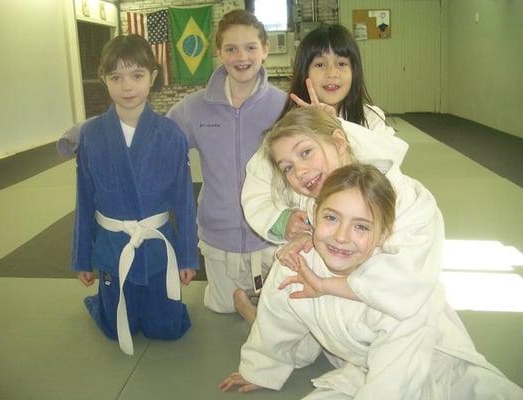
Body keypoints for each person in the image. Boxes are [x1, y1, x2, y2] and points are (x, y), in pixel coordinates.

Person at [220, 163, 523, 399]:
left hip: (436, 358)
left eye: (361, 226)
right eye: (331, 218)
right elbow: (277, 319)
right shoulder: (296, 264)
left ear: (385, 233)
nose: (341, 237)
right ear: (314, 213)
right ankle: (245, 306)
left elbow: (393, 380)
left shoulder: (397, 291)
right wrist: (260, 369)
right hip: (360, 365)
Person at [237, 23, 395, 322]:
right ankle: (253, 311)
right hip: (308, 243)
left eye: (341, 64)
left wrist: (338, 127)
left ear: (355, 71)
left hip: (359, 243)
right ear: (304, 73)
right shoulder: (286, 129)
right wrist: (284, 223)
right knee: (290, 311)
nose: (331, 73)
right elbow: (256, 188)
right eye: (320, 64)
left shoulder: (371, 120)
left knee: (366, 313)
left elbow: (388, 167)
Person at [72, 34, 198, 355]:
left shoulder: (171, 135)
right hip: (114, 248)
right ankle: (103, 298)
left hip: (158, 248)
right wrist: (81, 258)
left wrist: (187, 256)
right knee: (117, 330)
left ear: (153, 77)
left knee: (168, 329)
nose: (127, 87)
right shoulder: (91, 136)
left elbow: (184, 202)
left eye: (137, 75)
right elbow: (84, 200)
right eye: (116, 77)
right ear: (104, 80)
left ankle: (145, 305)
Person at [167, 9, 287, 324]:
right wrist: (90, 134)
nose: (241, 56)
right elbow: (153, 139)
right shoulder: (193, 109)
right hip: (219, 238)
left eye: (250, 47)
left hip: (271, 238)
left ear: (265, 49)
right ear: (219, 53)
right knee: (221, 311)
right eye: (231, 49)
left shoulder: (284, 107)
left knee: (277, 318)